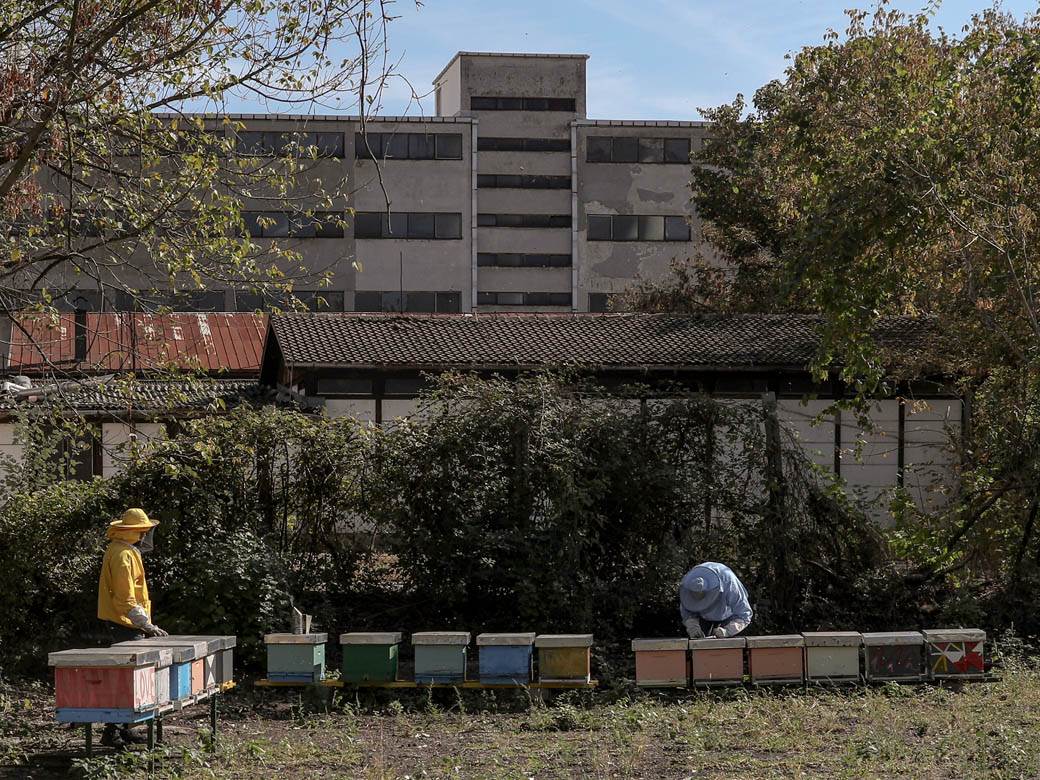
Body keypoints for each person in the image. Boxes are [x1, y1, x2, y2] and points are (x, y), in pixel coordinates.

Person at [96, 508, 167, 748]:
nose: (145, 534)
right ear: (132, 531)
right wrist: (145, 624)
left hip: (126, 621)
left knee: (132, 679)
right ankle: (112, 731)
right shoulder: (122, 555)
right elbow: (125, 598)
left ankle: (125, 728)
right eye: (142, 530)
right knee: (126, 679)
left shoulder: (124, 551)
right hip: (123, 622)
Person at [679, 562, 753, 639]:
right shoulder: (688, 586)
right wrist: (693, 627)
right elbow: (687, 612)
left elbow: (744, 615)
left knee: (727, 646)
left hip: (729, 616)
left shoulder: (729, 583)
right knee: (699, 643)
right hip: (703, 618)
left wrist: (727, 631)